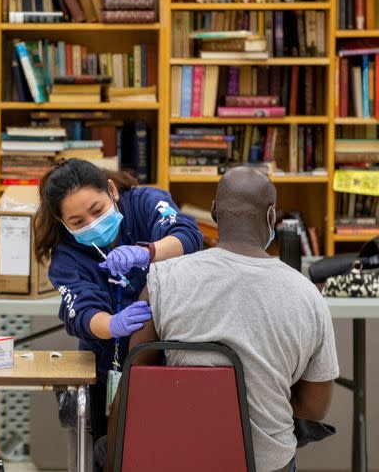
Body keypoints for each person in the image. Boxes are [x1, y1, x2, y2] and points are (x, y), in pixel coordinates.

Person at [102, 167, 339, 472]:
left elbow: (134, 385)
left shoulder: (164, 278)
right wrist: (263, 390)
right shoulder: (308, 296)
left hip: (179, 458)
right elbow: (315, 408)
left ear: (214, 212)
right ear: (271, 217)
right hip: (266, 465)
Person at [33, 158, 203, 446]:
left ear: (111, 190)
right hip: (107, 372)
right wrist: (113, 324)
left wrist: (147, 252)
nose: (92, 224)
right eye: (77, 222)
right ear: (62, 222)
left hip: (174, 364)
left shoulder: (146, 203)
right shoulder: (67, 257)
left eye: (97, 210)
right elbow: (83, 313)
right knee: (112, 451)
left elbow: (188, 237)